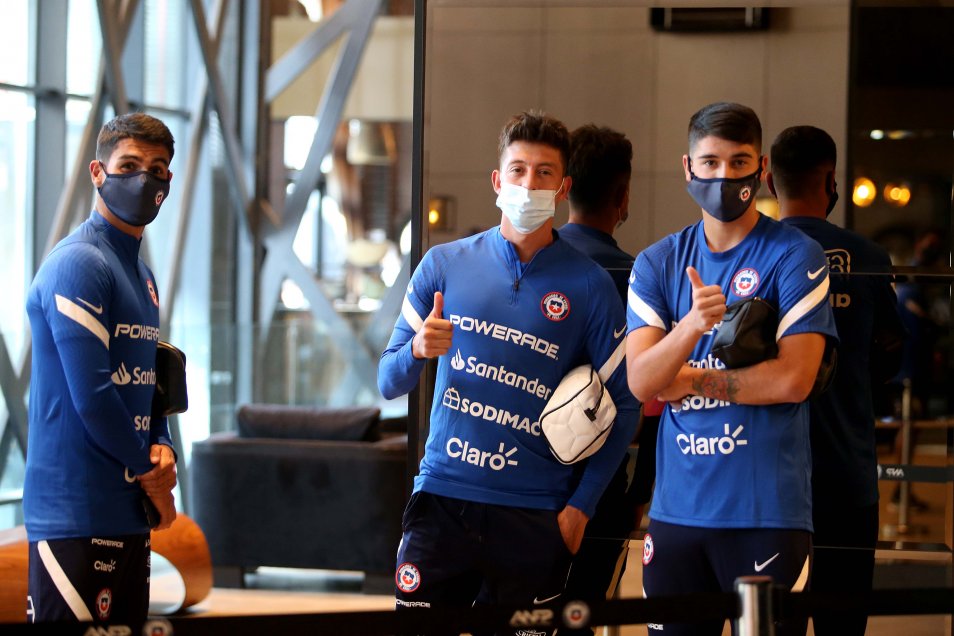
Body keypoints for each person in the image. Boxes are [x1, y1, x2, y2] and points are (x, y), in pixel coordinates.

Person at [378, 110, 639, 636]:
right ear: (497, 181)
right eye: (517, 170)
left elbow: (625, 405)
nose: (529, 184)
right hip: (443, 501)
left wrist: (579, 510)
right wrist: (419, 351)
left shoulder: (588, 286)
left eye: (544, 173)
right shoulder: (444, 264)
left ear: (563, 187)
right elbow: (388, 381)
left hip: (533, 515)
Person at [625, 102, 837, 636]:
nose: (724, 176)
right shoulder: (658, 262)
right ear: (688, 168)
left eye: (738, 162)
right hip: (676, 516)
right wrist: (692, 326)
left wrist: (690, 378)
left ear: (761, 169)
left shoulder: (795, 253)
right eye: (710, 162)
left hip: (767, 515)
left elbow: (794, 379)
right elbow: (642, 382)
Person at [24, 112, 178, 625]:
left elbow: (149, 379)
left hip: (127, 511)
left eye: (157, 169)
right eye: (129, 164)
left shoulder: (144, 276)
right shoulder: (79, 264)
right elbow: (93, 395)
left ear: (169, 183)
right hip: (74, 513)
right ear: (97, 172)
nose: (144, 178)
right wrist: (148, 472)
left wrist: (163, 445)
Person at [769, 125, 905, 636]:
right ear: (831, 180)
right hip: (846, 477)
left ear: (769, 179)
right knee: (841, 625)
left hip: (767, 481)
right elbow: (890, 358)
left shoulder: (750, 256)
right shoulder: (867, 258)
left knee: (769, 622)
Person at [556, 125, 660, 625]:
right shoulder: (640, 278)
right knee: (580, 618)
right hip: (602, 488)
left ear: (564, 187)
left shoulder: (532, 263)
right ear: (622, 197)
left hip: (522, 481)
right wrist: (639, 494)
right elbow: (651, 398)